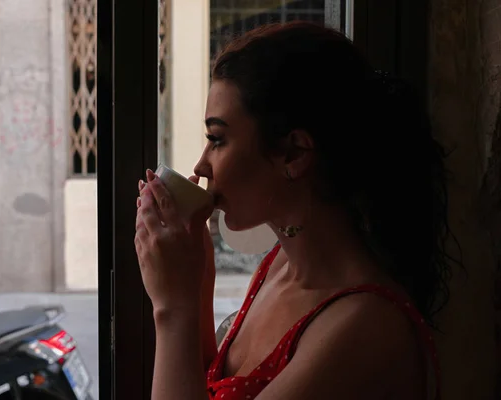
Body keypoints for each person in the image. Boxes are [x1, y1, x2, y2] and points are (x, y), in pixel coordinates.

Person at [135, 21, 452, 400]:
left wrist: (173, 310)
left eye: (216, 140)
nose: (202, 166)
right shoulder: (279, 267)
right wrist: (198, 284)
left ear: (294, 154)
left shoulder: (365, 326)